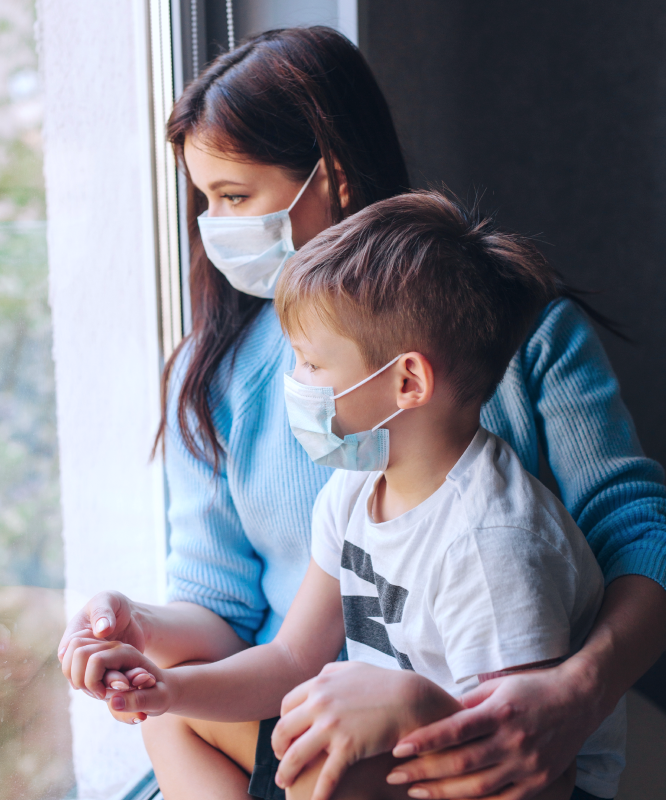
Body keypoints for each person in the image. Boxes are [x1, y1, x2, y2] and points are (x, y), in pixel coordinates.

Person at [59, 26, 666, 800]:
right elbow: (256, 634)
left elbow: (635, 534)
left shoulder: (498, 489)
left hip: (424, 740)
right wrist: (140, 635)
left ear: (333, 177)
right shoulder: (318, 459)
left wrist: (576, 690)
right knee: (177, 713)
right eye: (203, 203)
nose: (212, 234)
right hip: (309, 714)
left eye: (235, 198)